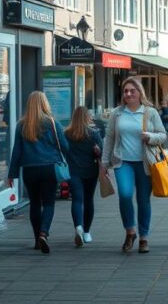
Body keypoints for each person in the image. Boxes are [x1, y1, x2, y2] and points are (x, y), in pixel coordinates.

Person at [101, 77, 167, 254]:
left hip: (146, 162)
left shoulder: (150, 112)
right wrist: (104, 162)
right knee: (124, 194)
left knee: (143, 200)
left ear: (139, 93)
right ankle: (130, 231)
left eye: (132, 91)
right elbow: (110, 139)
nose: (128, 94)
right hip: (123, 162)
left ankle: (144, 237)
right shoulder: (117, 113)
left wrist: (151, 137)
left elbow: (163, 135)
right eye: (125, 91)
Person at [7, 91, 67, 254]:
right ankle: (44, 233)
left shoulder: (21, 125)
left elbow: (16, 151)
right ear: (44, 104)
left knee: (35, 203)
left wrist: (12, 174)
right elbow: (65, 146)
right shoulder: (53, 123)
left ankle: (36, 240)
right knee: (48, 203)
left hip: (30, 170)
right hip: (49, 168)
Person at [63, 105, 103, 247]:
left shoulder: (66, 133)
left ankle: (78, 227)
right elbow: (101, 153)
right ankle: (86, 232)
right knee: (88, 200)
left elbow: (63, 151)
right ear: (87, 117)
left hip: (73, 171)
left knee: (77, 200)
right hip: (90, 171)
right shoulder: (94, 133)